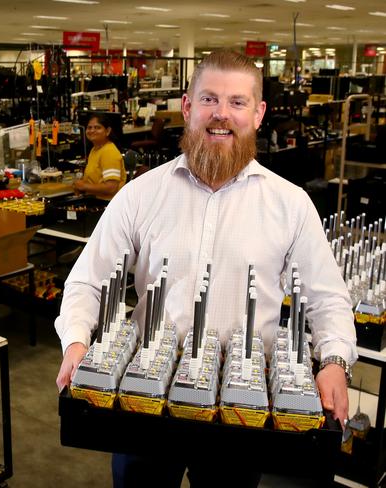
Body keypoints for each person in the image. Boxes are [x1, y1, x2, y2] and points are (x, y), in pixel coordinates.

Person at [55, 51, 356, 487]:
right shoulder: (140, 195)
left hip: (238, 413)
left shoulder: (290, 205)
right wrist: (77, 343)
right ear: (187, 107)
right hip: (145, 406)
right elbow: (87, 280)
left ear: (258, 113)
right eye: (209, 99)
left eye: (237, 102)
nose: (221, 115)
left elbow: (328, 297)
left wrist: (333, 362)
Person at [73, 113, 126, 200]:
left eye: (97, 127)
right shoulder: (95, 149)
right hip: (94, 199)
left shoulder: (109, 152)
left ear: (108, 131)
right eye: (89, 127)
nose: (92, 130)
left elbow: (111, 188)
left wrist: (84, 186)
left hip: (107, 204)